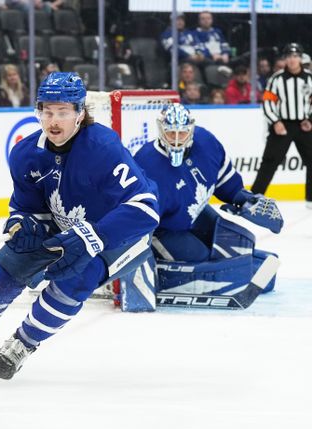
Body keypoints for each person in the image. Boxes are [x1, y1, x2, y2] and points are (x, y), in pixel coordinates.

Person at [0, 72, 159, 380]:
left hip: (116, 234)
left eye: (62, 112)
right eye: (47, 112)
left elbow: (145, 208)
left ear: (80, 114)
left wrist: (94, 235)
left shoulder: (103, 149)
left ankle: (23, 343)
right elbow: (26, 205)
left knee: (75, 279)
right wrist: (22, 220)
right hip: (64, 226)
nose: (54, 121)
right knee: (2, 273)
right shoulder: (26, 154)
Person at [119, 103, 282, 311]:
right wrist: (138, 266)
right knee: (203, 262)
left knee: (241, 243)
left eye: (182, 133)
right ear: (161, 130)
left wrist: (243, 199)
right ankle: (168, 276)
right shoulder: (147, 164)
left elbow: (226, 184)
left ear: (192, 130)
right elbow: (137, 221)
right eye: (171, 133)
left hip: (195, 214)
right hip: (164, 230)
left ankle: (236, 272)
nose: (177, 140)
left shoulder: (207, 143)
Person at [252, 43, 312, 208]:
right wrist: (276, 122)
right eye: (289, 57)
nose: (292, 60)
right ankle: (255, 198)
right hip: (282, 125)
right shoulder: (276, 79)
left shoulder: (309, 78)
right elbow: (267, 103)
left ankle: (311, 198)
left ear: (300, 58)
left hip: (304, 125)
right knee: (269, 162)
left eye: (295, 56)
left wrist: (310, 119)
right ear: (285, 59)